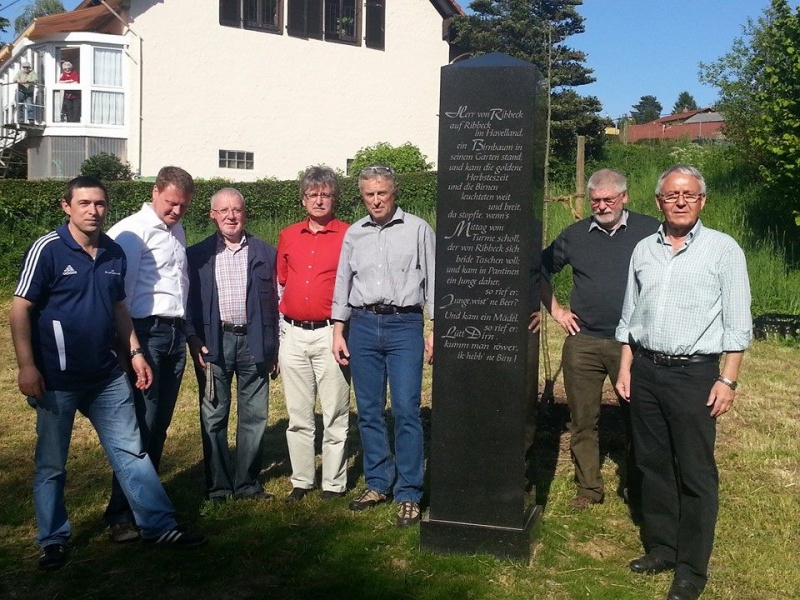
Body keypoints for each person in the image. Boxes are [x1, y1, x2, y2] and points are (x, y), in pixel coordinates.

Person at [9, 177, 206, 571]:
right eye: (84, 203)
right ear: (67, 206)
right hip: (58, 378)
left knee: (132, 451)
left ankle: (157, 525)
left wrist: (133, 353)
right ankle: (53, 538)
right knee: (52, 464)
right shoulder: (48, 250)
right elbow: (19, 309)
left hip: (106, 376)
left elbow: (120, 310)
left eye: (99, 204)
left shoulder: (114, 253)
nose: (92, 211)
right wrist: (28, 367)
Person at [615, 165, 752, 600]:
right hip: (647, 369)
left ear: (702, 201)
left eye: (689, 194)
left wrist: (727, 380)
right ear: (658, 201)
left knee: (694, 472)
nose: (680, 201)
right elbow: (629, 316)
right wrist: (625, 367)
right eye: (672, 194)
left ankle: (691, 569)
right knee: (652, 464)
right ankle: (663, 547)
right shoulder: (643, 250)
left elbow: (738, 322)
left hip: (694, 374)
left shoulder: (722, 250)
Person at [540, 168, 659, 510]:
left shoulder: (651, 231)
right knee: (583, 420)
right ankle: (589, 489)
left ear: (625, 197)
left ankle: (639, 488)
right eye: (595, 200)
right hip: (585, 341)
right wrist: (557, 311)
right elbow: (540, 270)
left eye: (609, 199)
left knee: (640, 418)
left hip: (635, 344)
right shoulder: (575, 235)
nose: (602, 206)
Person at [331, 164, 435, 528]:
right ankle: (378, 482)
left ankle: (409, 491)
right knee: (370, 409)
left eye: (382, 193)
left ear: (394, 192)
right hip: (362, 324)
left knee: (406, 408)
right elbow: (343, 280)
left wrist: (434, 327)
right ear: (362, 196)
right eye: (369, 194)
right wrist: (337, 328)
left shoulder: (419, 229)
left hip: (405, 324)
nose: (376, 200)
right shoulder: (354, 234)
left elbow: (434, 278)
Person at [103, 166, 194, 541]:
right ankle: (121, 514)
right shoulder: (132, 232)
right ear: (155, 192)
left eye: (183, 207)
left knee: (158, 426)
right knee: (139, 426)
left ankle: (148, 502)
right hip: (145, 334)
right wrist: (131, 349)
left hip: (173, 334)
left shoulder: (176, 230)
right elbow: (116, 297)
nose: (175, 212)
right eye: (171, 203)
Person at [185, 188, 279, 502]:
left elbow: (277, 304)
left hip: (254, 341)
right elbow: (187, 305)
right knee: (214, 415)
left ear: (245, 213)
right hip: (214, 342)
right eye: (223, 210)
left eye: (236, 210)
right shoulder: (196, 255)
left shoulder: (266, 252)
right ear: (213, 215)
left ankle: (247, 484)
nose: (230, 216)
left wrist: (274, 346)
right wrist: (194, 339)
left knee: (255, 415)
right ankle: (219, 486)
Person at [277, 166, 350, 503]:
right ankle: (302, 479)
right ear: (303, 199)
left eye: (326, 194)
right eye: (313, 194)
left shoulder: (349, 235)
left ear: (334, 199)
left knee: (335, 411)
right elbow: (281, 279)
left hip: (329, 334)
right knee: (299, 414)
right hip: (292, 334)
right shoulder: (288, 235)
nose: (319, 200)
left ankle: (333, 483)